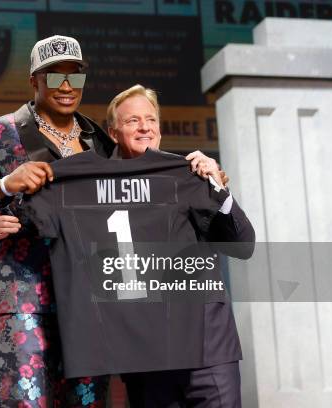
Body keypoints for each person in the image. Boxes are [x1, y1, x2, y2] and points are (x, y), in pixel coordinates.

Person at [0, 35, 114, 407]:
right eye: (55, 77)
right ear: (34, 81)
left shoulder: (100, 141)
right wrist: (4, 186)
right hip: (25, 295)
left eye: (76, 76)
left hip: (88, 299)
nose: (67, 87)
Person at [107, 84, 253, 407]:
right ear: (113, 132)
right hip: (145, 358)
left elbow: (243, 244)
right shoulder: (99, 191)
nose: (145, 127)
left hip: (208, 351)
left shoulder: (190, 176)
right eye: (132, 121)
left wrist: (216, 186)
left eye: (151, 119)